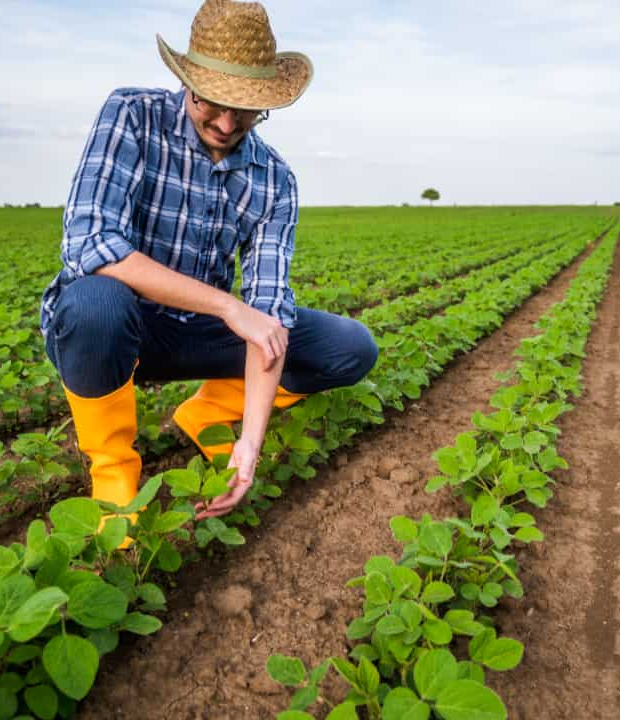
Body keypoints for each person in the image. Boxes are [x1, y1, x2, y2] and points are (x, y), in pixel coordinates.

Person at [39, 0, 377, 532]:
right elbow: (90, 244)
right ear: (187, 82)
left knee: (348, 348)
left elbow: (268, 309)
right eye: (209, 102)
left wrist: (250, 444)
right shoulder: (132, 115)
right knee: (94, 303)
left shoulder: (273, 179)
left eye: (243, 109)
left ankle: (209, 416)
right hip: (117, 330)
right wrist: (227, 306)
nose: (224, 122)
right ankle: (114, 484)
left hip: (195, 333)